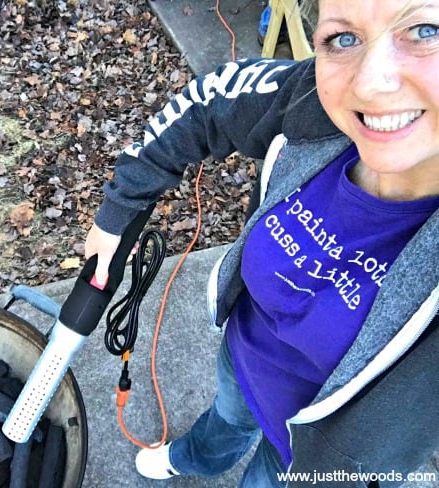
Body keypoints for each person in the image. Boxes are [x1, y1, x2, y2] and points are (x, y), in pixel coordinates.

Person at [84, 0, 439, 485]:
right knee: (226, 420)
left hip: (318, 459)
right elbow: (210, 101)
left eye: (424, 30)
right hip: (244, 358)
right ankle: (197, 457)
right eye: (344, 38)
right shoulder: (310, 102)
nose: (370, 83)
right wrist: (117, 212)